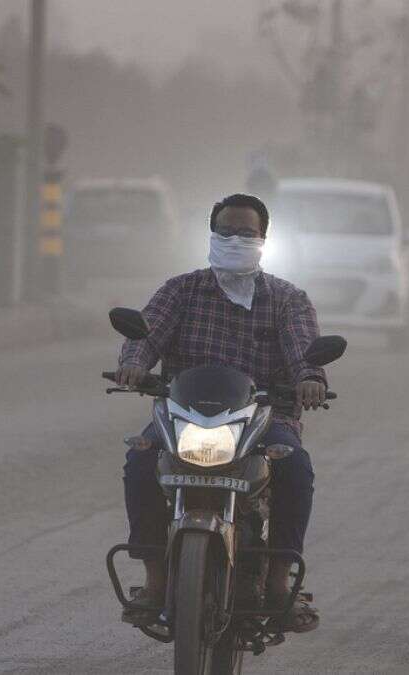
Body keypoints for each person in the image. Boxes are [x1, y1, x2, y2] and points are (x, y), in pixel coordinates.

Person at [116, 193, 325, 633]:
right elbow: (146, 333)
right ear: (212, 235)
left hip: (264, 420)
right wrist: (134, 363)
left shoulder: (287, 299)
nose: (235, 238)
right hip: (181, 417)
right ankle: (154, 581)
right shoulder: (181, 290)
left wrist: (310, 378)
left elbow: (305, 351)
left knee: (296, 468)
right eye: (226, 231)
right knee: (140, 459)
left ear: (264, 238)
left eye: (246, 232)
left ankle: (277, 580)